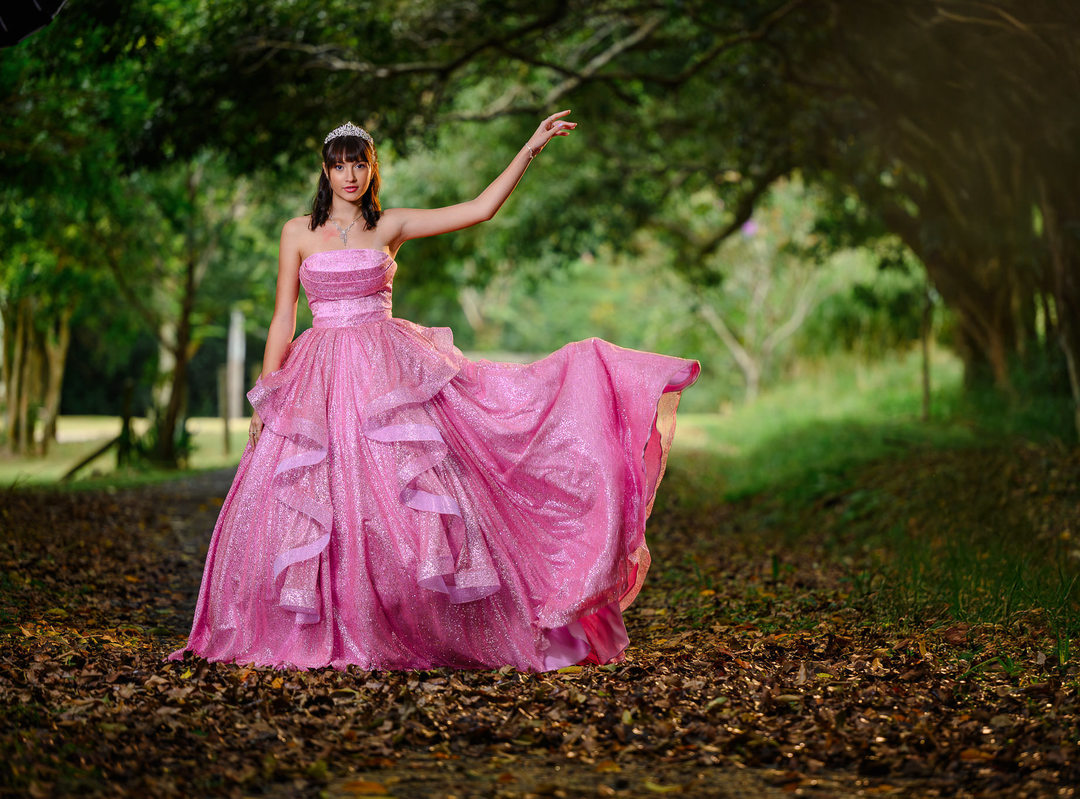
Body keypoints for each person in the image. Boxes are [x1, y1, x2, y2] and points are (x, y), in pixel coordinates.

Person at [169, 112, 700, 671]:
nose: (349, 175)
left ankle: (412, 624)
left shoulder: (390, 225)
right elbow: (283, 316)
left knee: (408, 502)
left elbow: (478, 210)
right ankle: (315, 625)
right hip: (317, 378)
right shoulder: (296, 231)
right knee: (312, 502)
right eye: (339, 165)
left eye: (360, 164)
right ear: (325, 172)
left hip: (385, 374)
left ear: (371, 171)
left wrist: (530, 148)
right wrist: (267, 388)